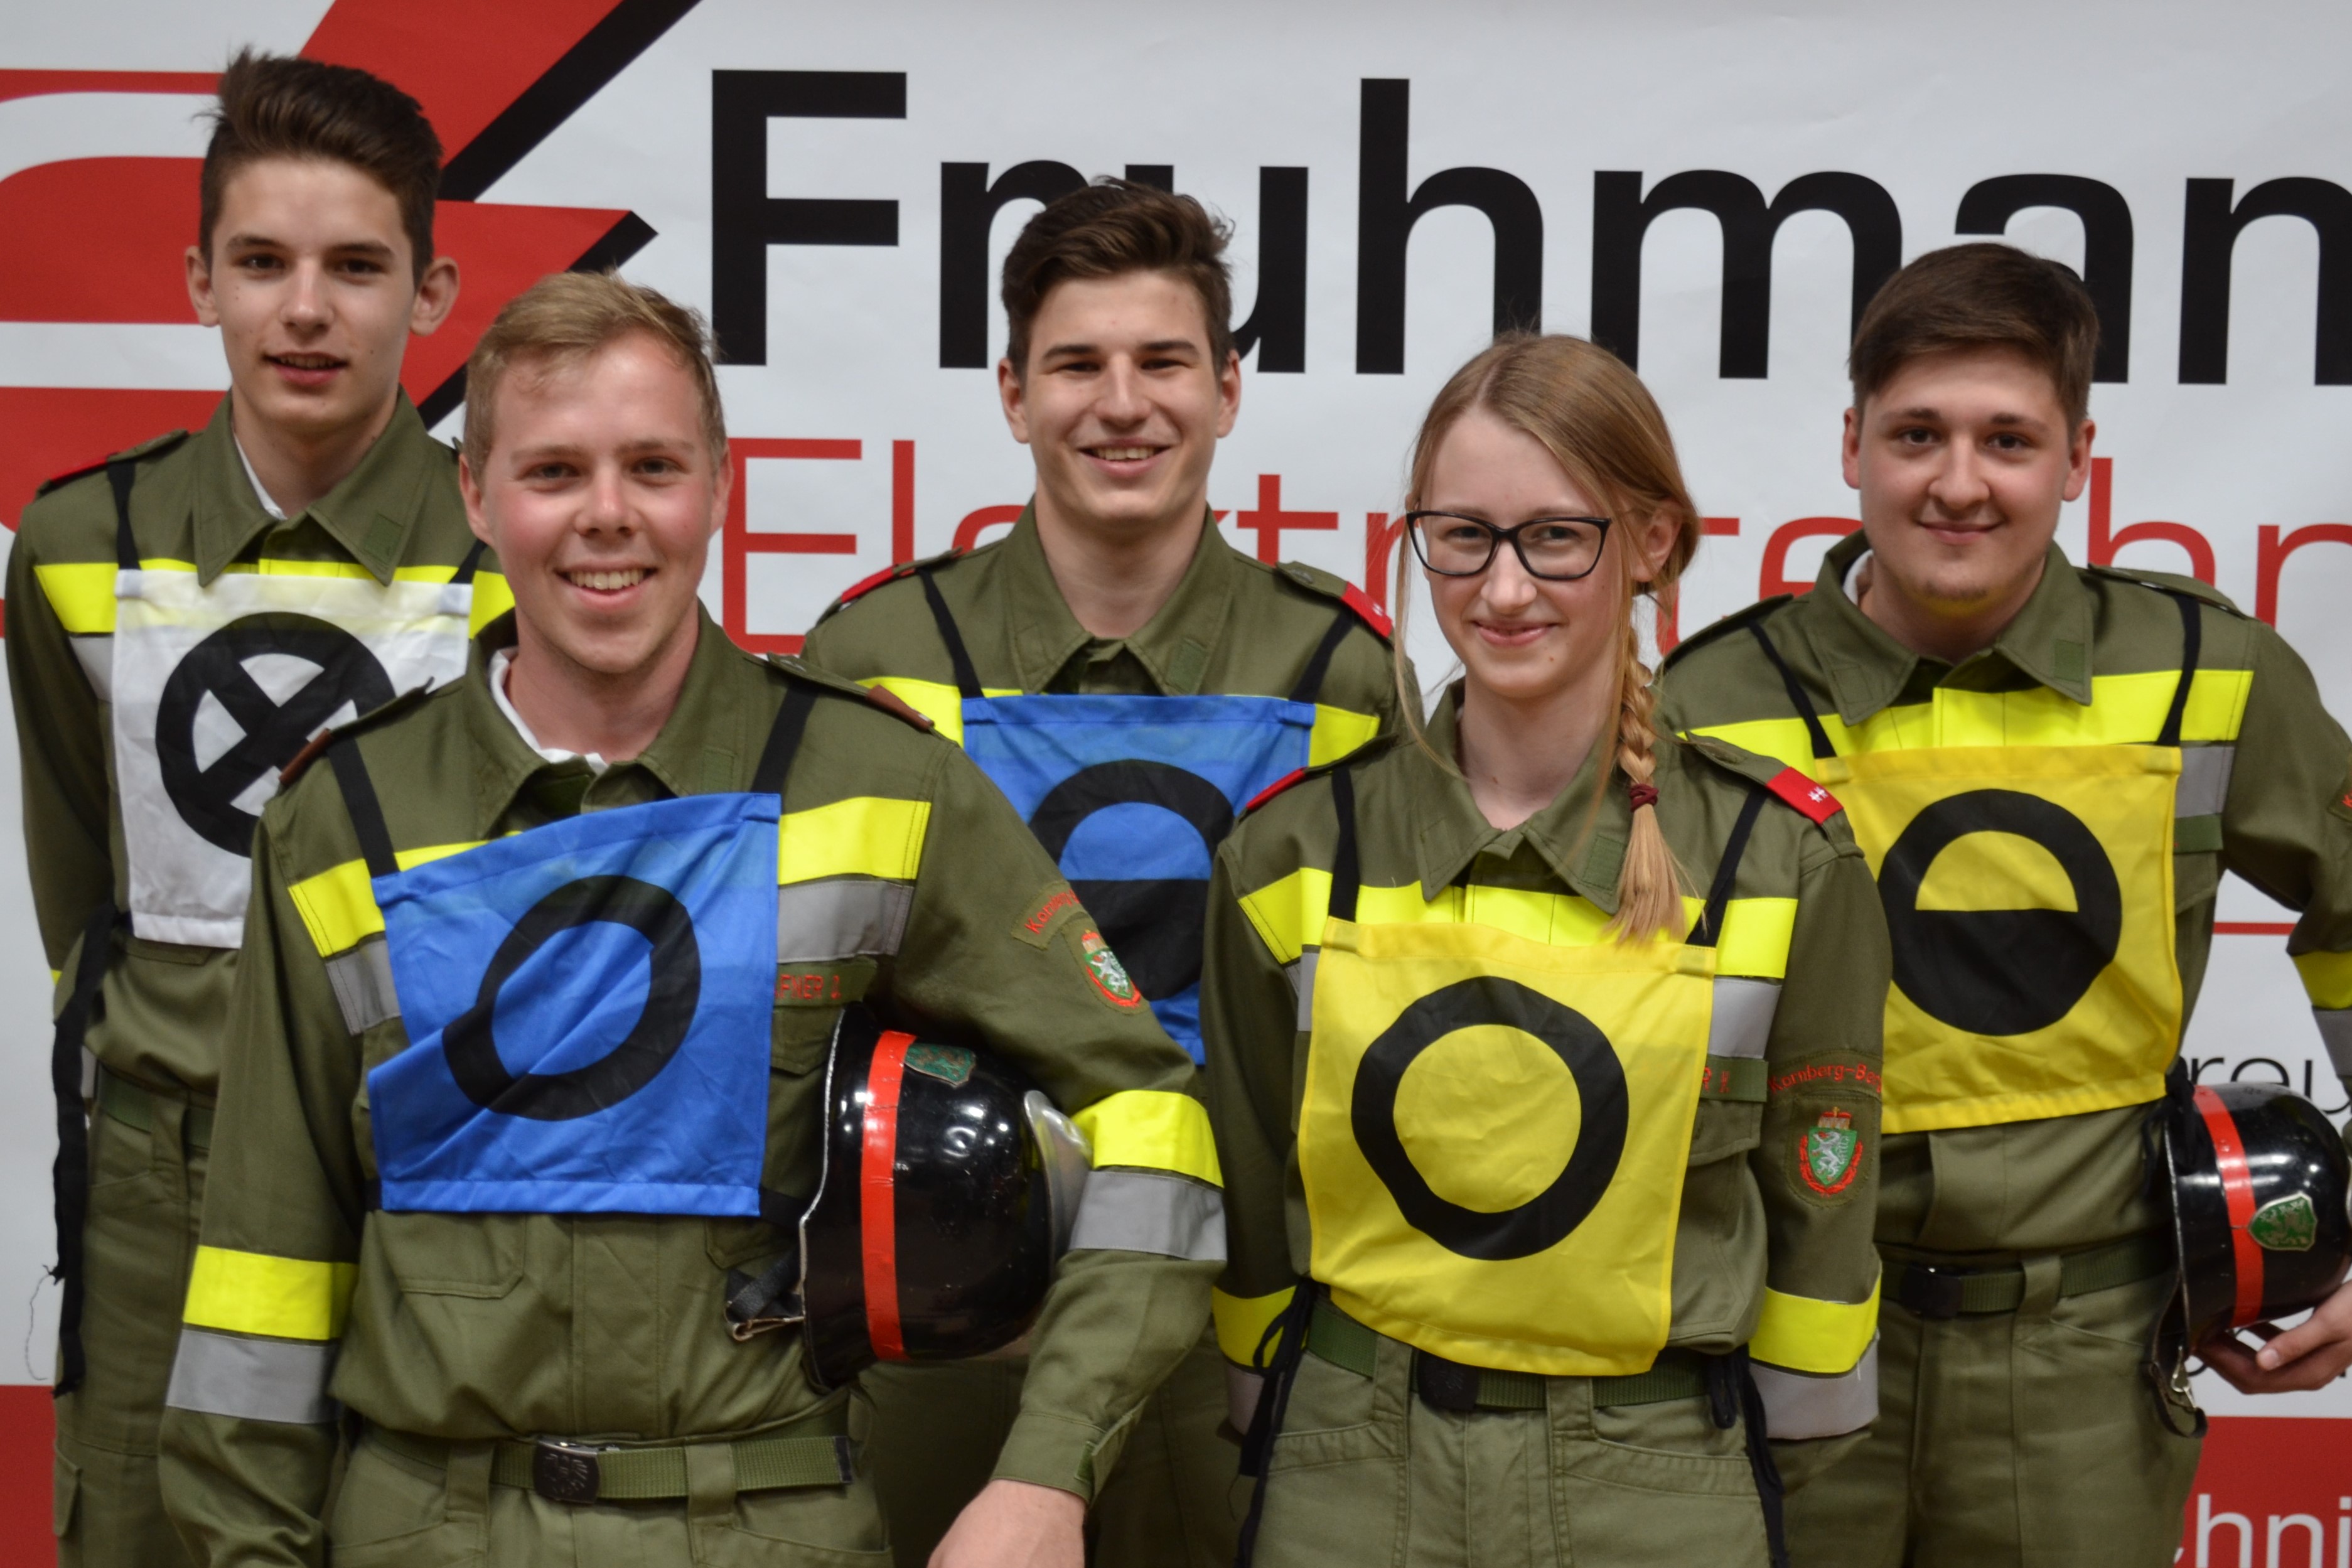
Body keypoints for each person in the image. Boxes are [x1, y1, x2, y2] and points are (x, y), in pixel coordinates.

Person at [153, 272, 1221, 1567]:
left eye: (653, 466)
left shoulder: (880, 784)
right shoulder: (343, 819)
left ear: (721, 484)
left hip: (768, 1524)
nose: (607, 515)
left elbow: (1152, 1118)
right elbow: (263, 1283)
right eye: (554, 471)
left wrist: (1048, 1472)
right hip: (427, 1529)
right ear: (475, 495)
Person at [1657, 242, 2352, 1566]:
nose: (1959, 482)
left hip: (2085, 1374)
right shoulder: (1710, 700)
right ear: (1851, 442)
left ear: (2078, 456)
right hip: (1782, 1344)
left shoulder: (2210, 670)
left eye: (2008, 439)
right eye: (1916, 433)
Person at [1200, 334, 1889, 1567]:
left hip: (1660, 1488)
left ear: (1653, 542)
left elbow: (1820, 1218)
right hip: (1346, 1477)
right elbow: (1251, 1192)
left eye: (1556, 537)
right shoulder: (1289, 850)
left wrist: (1761, 1470)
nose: (1503, 589)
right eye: (1462, 535)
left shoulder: (1781, 858)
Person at [802, 178, 1407, 1567]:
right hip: (944, 1327)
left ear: (1228, 389)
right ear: (1013, 393)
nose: (1121, 404)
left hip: (1238, 1326)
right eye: (1076, 363)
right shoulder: (873, 656)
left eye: (1163, 362)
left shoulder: (1343, 670)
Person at [6, 51, 498, 1566]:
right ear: (198, 280)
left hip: (436, 1168)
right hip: (163, 1178)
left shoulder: (518, 551)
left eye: (356, 266)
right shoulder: (77, 541)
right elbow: (80, 881)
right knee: (147, 1526)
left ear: (430, 293)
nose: (306, 310)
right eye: (264, 262)